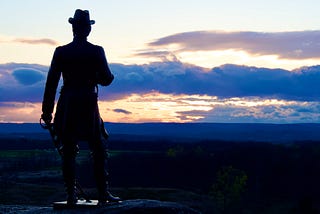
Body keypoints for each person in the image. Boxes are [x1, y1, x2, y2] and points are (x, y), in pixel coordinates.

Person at [41, 9, 120, 205]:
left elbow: (51, 83)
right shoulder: (96, 51)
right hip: (87, 103)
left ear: (73, 28)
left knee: (68, 150)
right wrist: (96, 76)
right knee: (99, 148)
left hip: (67, 103)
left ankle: (70, 195)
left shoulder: (61, 52)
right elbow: (107, 79)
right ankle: (103, 193)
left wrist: (47, 111)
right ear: (88, 30)